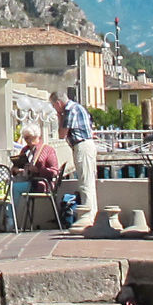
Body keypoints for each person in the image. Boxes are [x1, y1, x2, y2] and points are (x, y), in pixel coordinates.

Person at [60, 87, 97, 228]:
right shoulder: (78, 107)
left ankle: (87, 217)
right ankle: (92, 214)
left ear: (58, 103)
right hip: (87, 145)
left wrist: (59, 116)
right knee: (89, 181)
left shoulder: (69, 111)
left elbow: (61, 133)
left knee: (85, 182)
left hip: (82, 146)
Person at [14, 126, 59, 192]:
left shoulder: (48, 150)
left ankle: (12, 202)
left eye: (29, 137)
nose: (27, 140)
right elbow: (19, 165)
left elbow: (54, 172)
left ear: (37, 136)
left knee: (15, 187)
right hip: (26, 180)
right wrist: (16, 170)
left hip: (41, 183)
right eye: (25, 138)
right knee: (9, 184)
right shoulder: (25, 150)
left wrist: (38, 170)